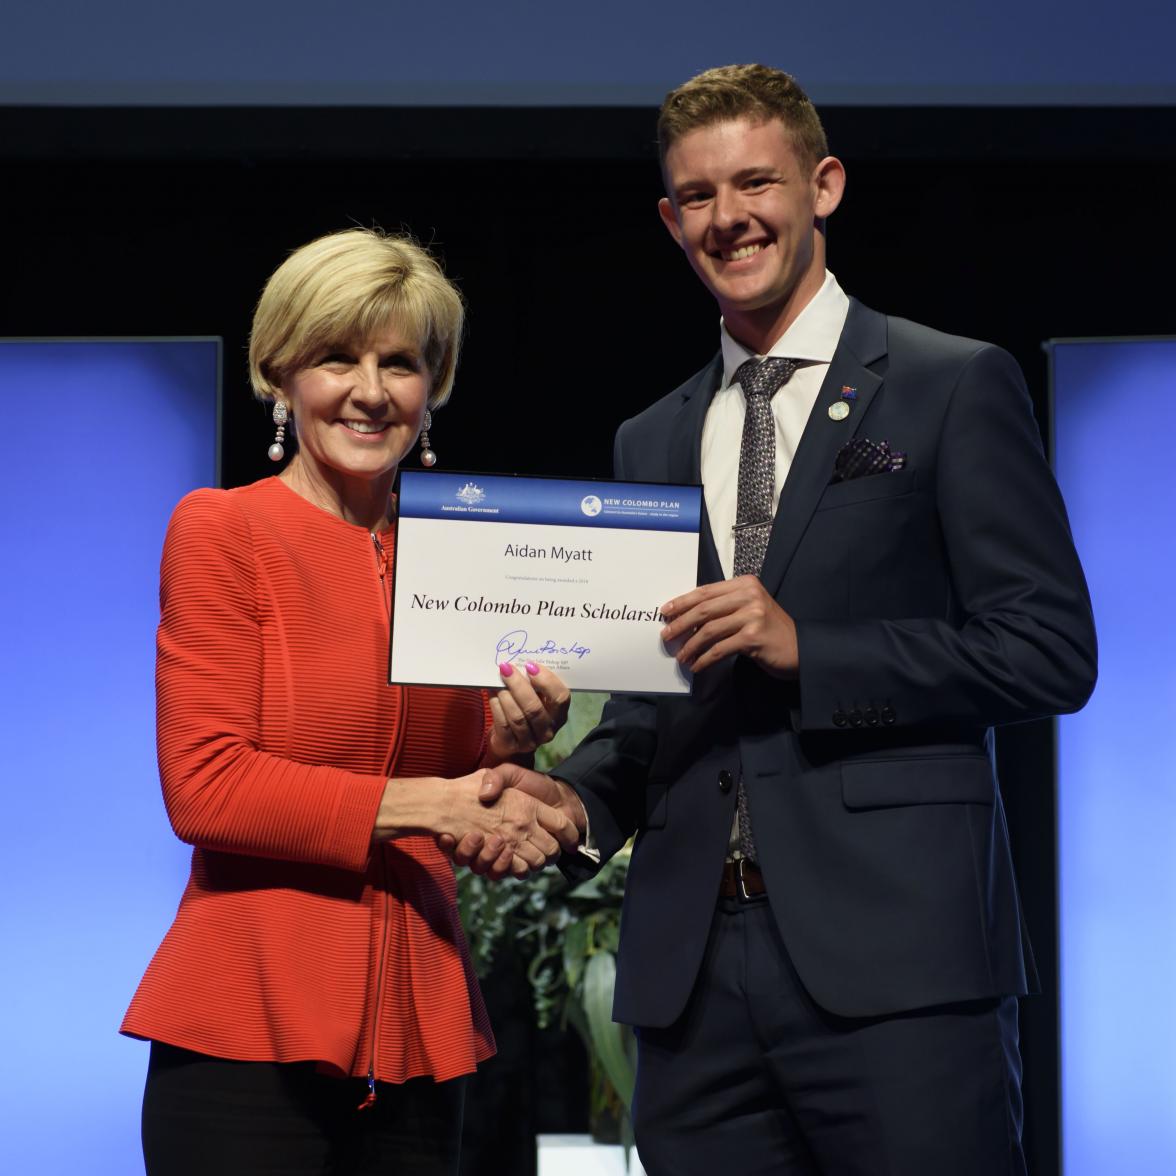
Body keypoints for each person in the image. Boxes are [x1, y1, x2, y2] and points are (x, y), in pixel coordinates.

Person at [461, 65, 1097, 1174]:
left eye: (756, 182)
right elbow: (660, 711)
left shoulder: (951, 385)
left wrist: (812, 649)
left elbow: (1049, 649)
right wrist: (570, 798)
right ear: (670, 219)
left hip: (901, 970)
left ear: (825, 185)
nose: (729, 217)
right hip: (694, 983)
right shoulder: (648, 440)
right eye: (697, 196)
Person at [121, 227, 580, 1176]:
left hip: (418, 1030)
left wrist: (511, 754)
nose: (371, 390)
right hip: (246, 1030)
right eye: (338, 357)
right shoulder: (223, 529)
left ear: (433, 385)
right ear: (280, 372)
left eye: (400, 363)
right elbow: (205, 789)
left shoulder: (461, 553)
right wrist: (430, 803)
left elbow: (454, 788)